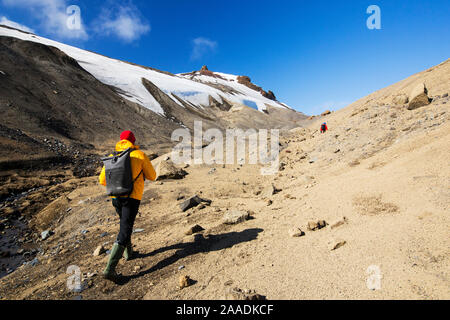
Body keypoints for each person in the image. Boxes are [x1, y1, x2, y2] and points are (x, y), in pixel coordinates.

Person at [99, 130, 157, 280]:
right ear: (133, 140)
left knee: (125, 225)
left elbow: (102, 180)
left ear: (120, 141)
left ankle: (128, 253)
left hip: (115, 197)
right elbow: (152, 176)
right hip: (132, 197)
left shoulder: (113, 157)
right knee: (125, 229)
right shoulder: (139, 155)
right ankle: (109, 269)